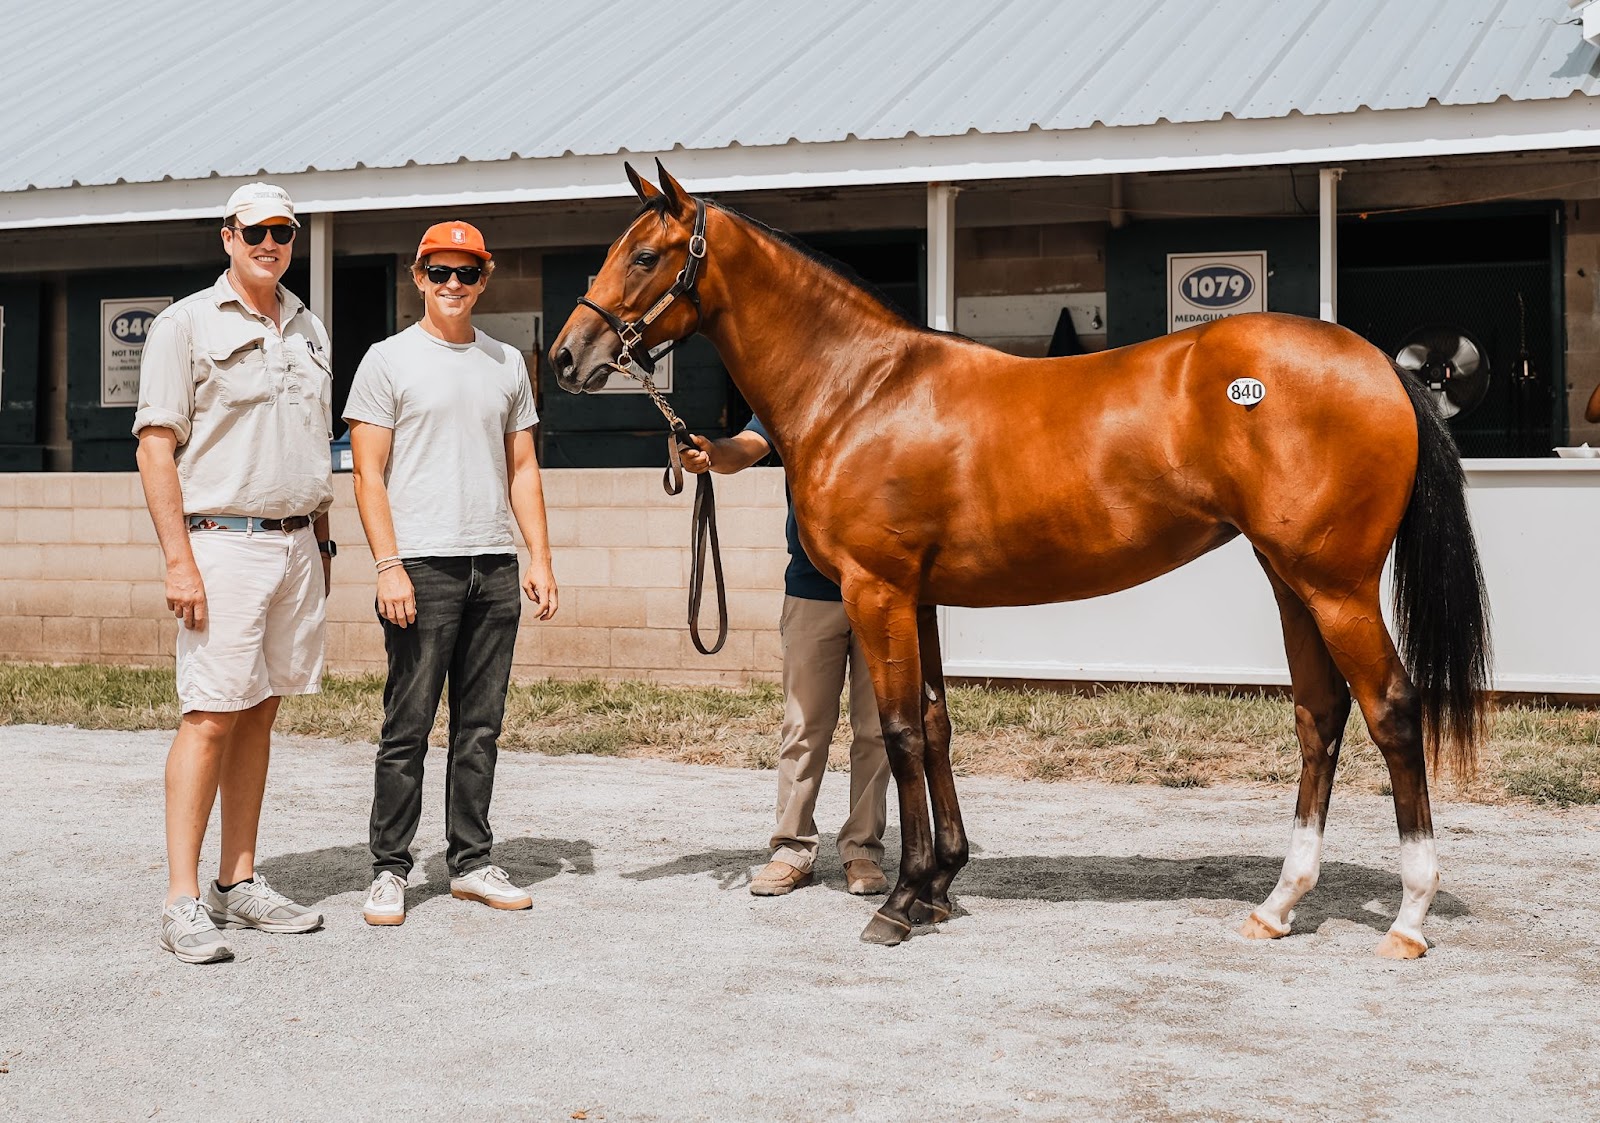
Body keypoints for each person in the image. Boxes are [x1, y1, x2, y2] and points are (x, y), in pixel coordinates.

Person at [134, 182, 335, 965]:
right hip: (222, 542)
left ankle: (237, 881)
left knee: (260, 711)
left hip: (295, 546)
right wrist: (179, 560)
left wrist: (323, 545)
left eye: (283, 230)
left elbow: (313, 444)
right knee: (210, 714)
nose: (271, 243)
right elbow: (156, 447)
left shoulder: (310, 326)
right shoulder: (184, 324)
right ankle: (181, 899)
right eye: (256, 230)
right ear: (228, 236)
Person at [344, 220, 558, 927]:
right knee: (407, 726)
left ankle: (470, 861)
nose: (454, 286)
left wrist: (539, 556)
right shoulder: (387, 360)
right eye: (441, 273)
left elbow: (523, 467)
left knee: (480, 727)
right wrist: (388, 566)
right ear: (418, 276)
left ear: (485, 278)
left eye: (468, 273)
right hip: (421, 568)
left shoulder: (504, 364)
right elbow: (367, 476)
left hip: (492, 566)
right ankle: (389, 869)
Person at [682, 418, 891, 897]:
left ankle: (862, 848)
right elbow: (746, 447)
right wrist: (709, 453)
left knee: (876, 727)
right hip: (812, 586)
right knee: (803, 725)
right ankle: (792, 848)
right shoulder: (803, 394)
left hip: (884, 587)